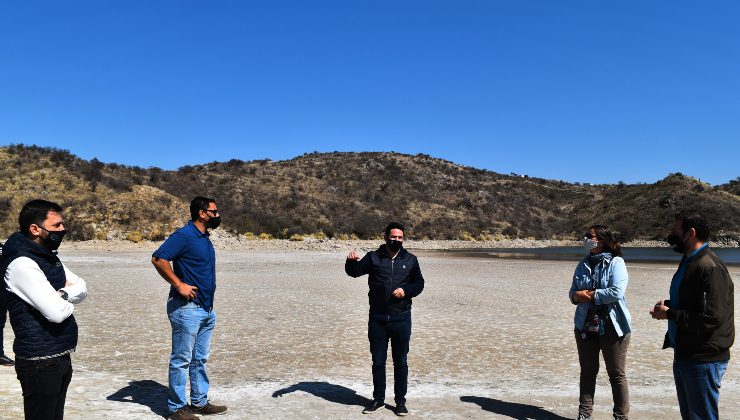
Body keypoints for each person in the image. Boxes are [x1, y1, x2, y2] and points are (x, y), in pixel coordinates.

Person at [0, 199, 88, 419]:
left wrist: (64, 294)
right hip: (39, 362)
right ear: (35, 229)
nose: (63, 229)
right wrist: (62, 300)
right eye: (56, 225)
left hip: (59, 354)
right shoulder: (22, 263)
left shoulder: (46, 256)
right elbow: (56, 313)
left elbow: (81, 286)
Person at [649, 211, 734, 420]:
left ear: (691, 233)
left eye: (675, 230)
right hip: (686, 353)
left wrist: (671, 314)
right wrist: (667, 308)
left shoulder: (710, 268)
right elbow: (693, 303)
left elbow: (711, 319)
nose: (671, 234)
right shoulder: (689, 261)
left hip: (704, 358)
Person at [152, 196, 228, 420]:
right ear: (202, 213)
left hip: (205, 308)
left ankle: (199, 402)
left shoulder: (203, 237)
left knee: (199, 359)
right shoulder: (184, 236)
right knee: (181, 359)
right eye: (213, 212)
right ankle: (176, 408)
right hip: (186, 308)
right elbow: (159, 259)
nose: (217, 215)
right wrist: (179, 285)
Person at [345, 222, 425, 416]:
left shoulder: (411, 260)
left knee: (401, 362)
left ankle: (400, 402)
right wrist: (351, 262)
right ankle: (378, 400)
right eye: (393, 237)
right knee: (378, 362)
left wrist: (406, 291)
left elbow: (419, 283)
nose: (396, 240)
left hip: (401, 319)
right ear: (385, 237)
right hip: (378, 319)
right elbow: (354, 272)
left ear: (403, 239)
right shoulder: (374, 258)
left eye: (400, 237)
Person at [569, 225, 631, 420]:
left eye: (591, 236)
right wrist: (577, 296)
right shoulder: (582, 265)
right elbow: (572, 294)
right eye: (586, 235)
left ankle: (620, 417)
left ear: (602, 240)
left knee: (616, 374)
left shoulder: (616, 263)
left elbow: (616, 292)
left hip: (613, 326)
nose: (586, 238)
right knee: (587, 372)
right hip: (585, 327)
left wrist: (589, 295)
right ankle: (584, 415)